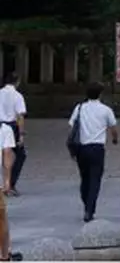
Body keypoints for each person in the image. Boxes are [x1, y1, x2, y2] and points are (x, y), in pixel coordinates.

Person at [67, 82, 119, 221]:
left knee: (84, 178)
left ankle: (86, 204)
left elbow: (72, 127)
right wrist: (115, 139)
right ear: (100, 94)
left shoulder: (79, 108)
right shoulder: (105, 110)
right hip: (97, 148)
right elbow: (113, 127)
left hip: (81, 148)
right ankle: (90, 209)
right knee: (95, 179)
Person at [0, 74, 26, 198]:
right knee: (18, 155)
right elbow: (20, 116)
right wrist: (21, 134)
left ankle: (5, 184)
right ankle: (9, 184)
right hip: (10, 127)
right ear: (17, 82)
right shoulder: (17, 96)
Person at [0, 119, 22, 261]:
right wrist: (8, 181)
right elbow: (7, 154)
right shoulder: (4, 129)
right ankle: (4, 255)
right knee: (1, 219)